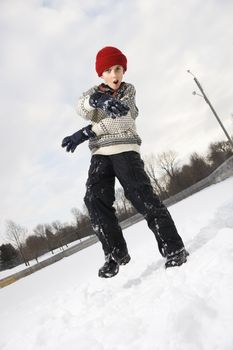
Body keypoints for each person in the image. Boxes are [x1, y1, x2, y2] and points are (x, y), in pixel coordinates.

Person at [62, 46, 189, 278]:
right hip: (100, 153)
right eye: (108, 70)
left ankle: (174, 248)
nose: (114, 75)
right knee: (94, 200)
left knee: (141, 197)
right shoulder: (93, 92)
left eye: (118, 69)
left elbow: (120, 121)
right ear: (101, 74)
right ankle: (115, 254)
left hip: (124, 149)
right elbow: (80, 107)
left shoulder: (128, 91)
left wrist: (86, 132)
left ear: (124, 70)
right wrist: (97, 100)